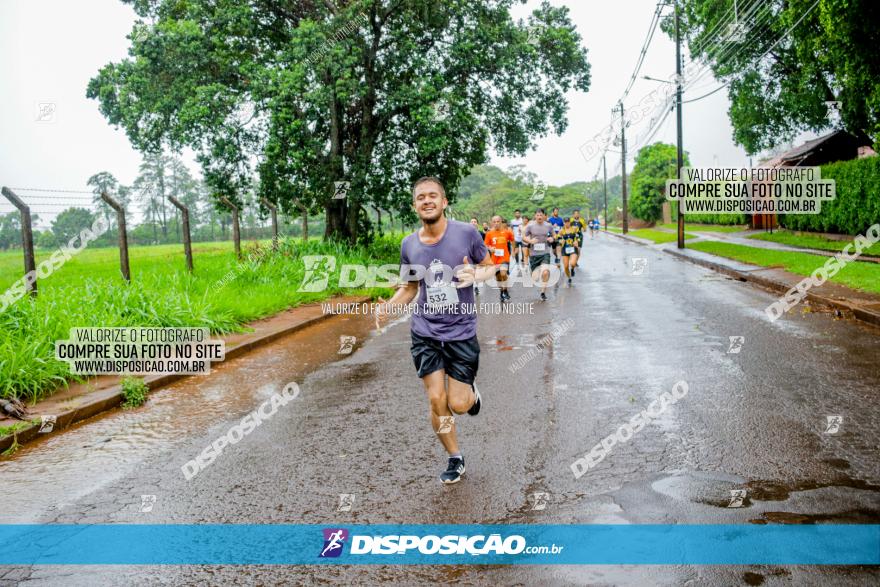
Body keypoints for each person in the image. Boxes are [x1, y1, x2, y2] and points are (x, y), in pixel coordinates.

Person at [377, 176, 496, 484]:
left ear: (444, 203)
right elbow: (409, 288)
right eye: (421, 197)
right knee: (435, 399)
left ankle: (471, 394)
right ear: (415, 205)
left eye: (433, 196)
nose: (427, 200)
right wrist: (390, 306)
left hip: (461, 331)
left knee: (458, 404)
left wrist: (477, 275)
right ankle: (455, 457)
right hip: (425, 331)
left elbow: (491, 265)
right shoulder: (409, 244)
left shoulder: (466, 233)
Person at [522, 208, 555, 301]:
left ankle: (543, 292)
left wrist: (552, 238)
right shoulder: (530, 226)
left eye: (541, 215)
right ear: (535, 216)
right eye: (537, 215)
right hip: (534, 254)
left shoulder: (548, 225)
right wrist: (530, 240)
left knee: (545, 272)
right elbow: (523, 237)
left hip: (545, 253)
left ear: (544, 216)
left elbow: (554, 235)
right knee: (535, 277)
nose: (539, 217)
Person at [484, 215, 515, 301]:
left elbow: (512, 240)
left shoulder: (507, 232)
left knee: (503, 274)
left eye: (498, 221)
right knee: (498, 278)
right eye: (494, 222)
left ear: (501, 222)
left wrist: (513, 250)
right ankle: (502, 292)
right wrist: (490, 248)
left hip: (504, 257)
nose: (496, 223)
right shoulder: (489, 233)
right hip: (494, 258)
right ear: (492, 223)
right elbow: (485, 245)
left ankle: (505, 290)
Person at [558, 218, 581, 285]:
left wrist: (577, 241)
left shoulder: (574, 229)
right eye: (565, 222)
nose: (567, 223)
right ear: (564, 223)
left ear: (569, 222)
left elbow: (579, 235)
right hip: (564, 249)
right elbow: (558, 238)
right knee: (565, 266)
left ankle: (572, 269)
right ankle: (569, 277)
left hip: (573, 248)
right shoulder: (562, 230)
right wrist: (560, 241)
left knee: (573, 263)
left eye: (568, 222)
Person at [570, 209, 587, 276]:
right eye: (575, 213)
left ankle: (575, 262)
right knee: (572, 250)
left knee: (578, 250)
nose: (576, 215)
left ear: (579, 214)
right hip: (571, 237)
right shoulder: (571, 220)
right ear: (573, 215)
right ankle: (572, 260)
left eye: (577, 213)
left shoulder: (582, 220)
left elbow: (585, 229)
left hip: (579, 237)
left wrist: (583, 229)